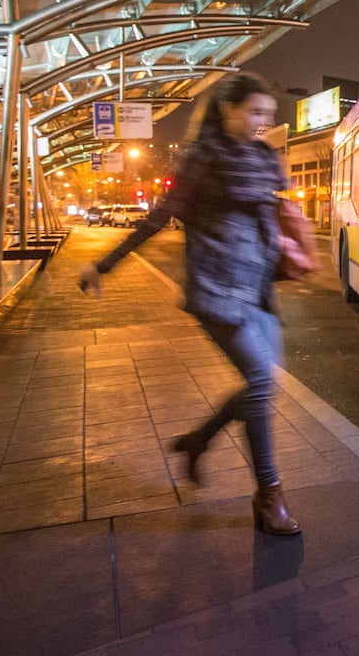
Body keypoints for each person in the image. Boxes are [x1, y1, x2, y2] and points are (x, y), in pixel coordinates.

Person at [77, 72, 301, 536]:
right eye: (256, 112)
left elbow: (268, 216)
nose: (263, 122)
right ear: (229, 110)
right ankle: (269, 495)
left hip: (258, 290)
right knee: (260, 381)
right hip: (217, 292)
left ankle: (199, 440)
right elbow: (159, 217)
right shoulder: (203, 159)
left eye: (268, 114)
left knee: (264, 386)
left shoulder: (262, 157)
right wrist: (103, 265)